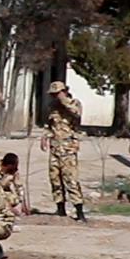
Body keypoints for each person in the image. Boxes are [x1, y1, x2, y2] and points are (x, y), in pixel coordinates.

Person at [43, 80, 85, 221]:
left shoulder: (74, 103)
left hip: (68, 147)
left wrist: (64, 100)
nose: (55, 97)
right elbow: (50, 125)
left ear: (64, 91)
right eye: (53, 95)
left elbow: (77, 114)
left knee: (71, 179)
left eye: (57, 93)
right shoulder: (52, 106)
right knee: (55, 179)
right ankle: (60, 209)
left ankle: (79, 211)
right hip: (55, 147)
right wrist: (45, 136)